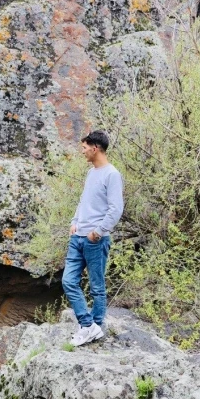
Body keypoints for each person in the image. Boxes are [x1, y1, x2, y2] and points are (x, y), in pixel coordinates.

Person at [63, 130, 124, 347]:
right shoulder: (91, 173)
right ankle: (89, 326)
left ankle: (94, 326)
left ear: (95, 148)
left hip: (95, 240)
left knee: (97, 287)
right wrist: (74, 221)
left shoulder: (111, 174)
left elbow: (116, 209)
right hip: (77, 237)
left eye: (85, 147)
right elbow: (83, 201)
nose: (83, 151)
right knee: (68, 281)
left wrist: (97, 232)